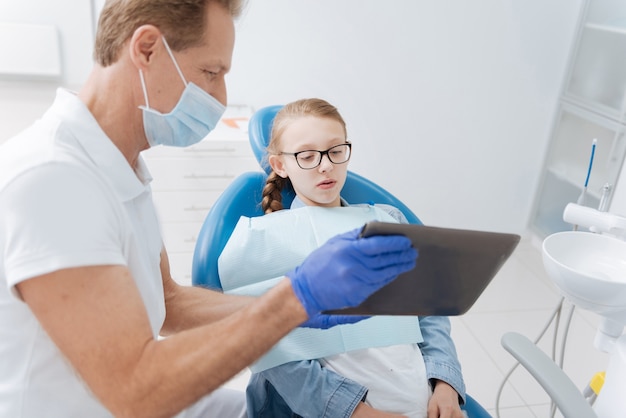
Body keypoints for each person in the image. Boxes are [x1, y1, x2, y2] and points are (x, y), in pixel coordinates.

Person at [0, 2, 419, 417]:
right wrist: (294, 299)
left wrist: (309, 311)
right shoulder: (54, 180)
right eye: (211, 72)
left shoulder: (122, 169)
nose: (220, 95)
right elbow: (136, 392)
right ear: (146, 49)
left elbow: (170, 303)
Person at [217, 98, 466, 418]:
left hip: (419, 394)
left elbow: (428, 312)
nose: (325, 165)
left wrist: (444, 382)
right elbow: (276, 355)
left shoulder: (387, 221)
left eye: (336, 151)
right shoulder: (268, 242)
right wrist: (356, 412)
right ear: (280, 165)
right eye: (307, 156)